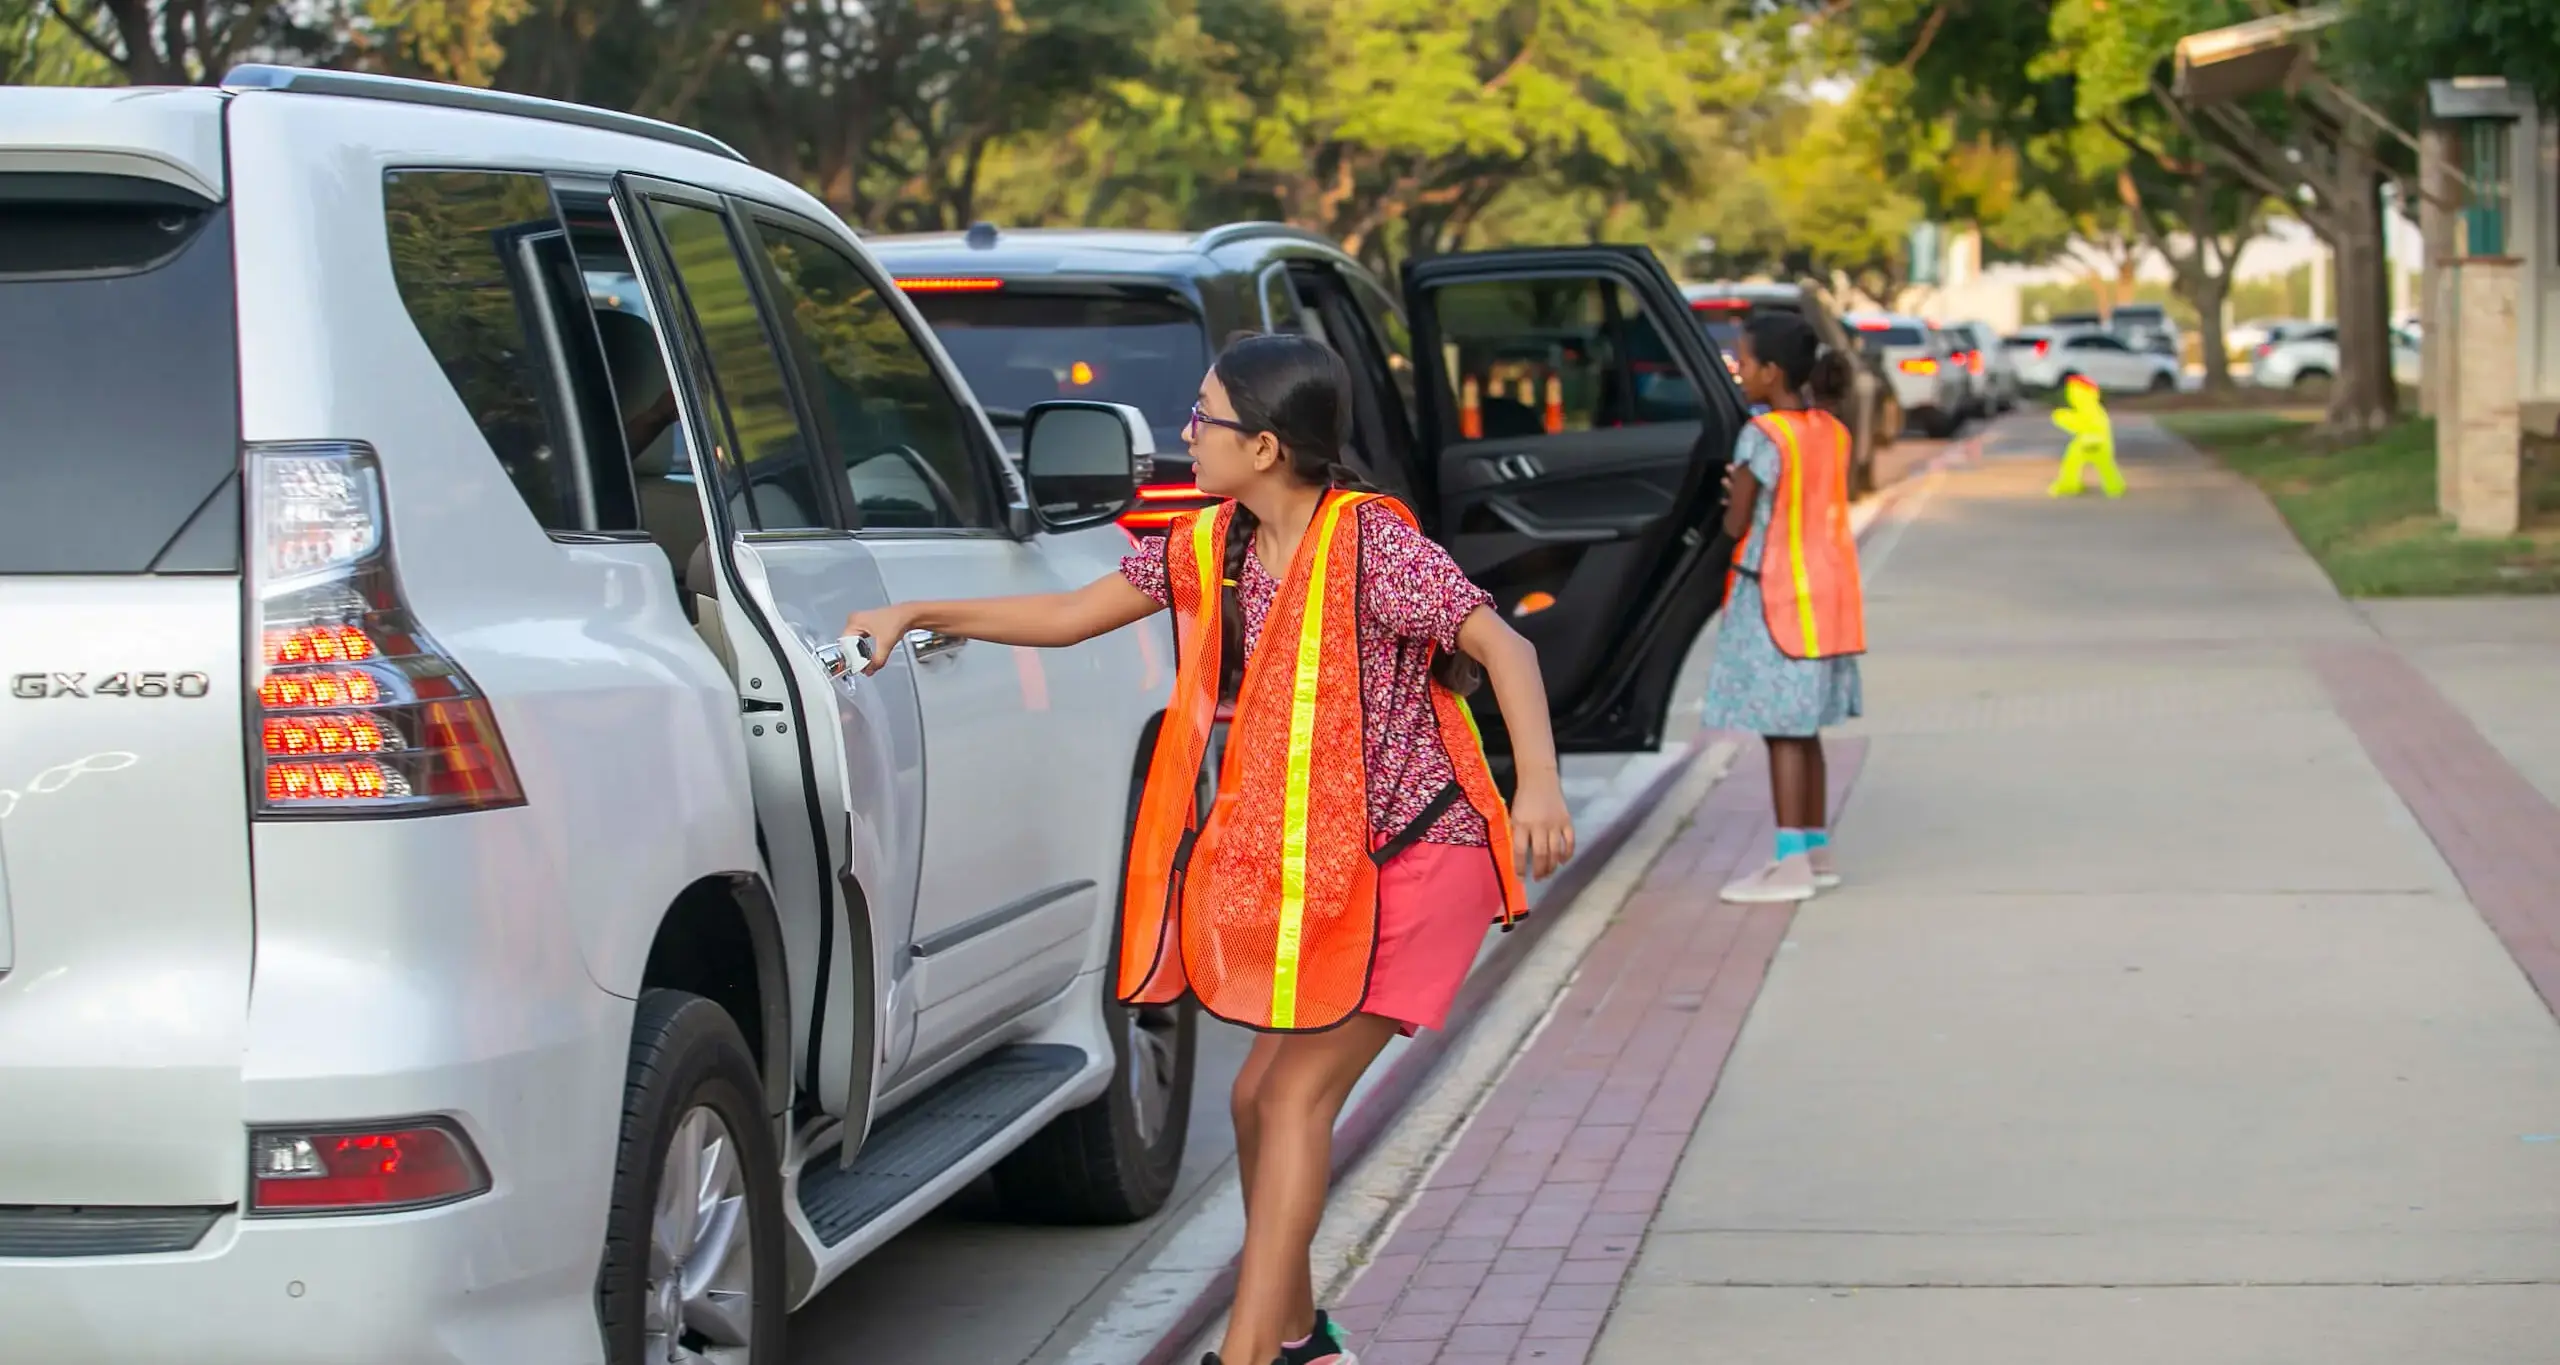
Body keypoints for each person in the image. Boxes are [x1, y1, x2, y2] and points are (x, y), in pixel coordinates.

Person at [839, 333, 1576, 1365]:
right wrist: (917, 610)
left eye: (1203, 417)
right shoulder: (1217, 543)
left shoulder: (1373, 545)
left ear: (1266, 446)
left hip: (1420, 856)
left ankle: (1246, 1354)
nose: (1184, 435)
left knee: (1290, 1094)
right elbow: (1067, 614)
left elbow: (1503, 643)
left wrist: (1535, 782)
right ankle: (1299, 1337)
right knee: (1251, 1095)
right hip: (1331, 873)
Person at [1702, 311, 1867, 904]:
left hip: (1776, 595)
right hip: (1828, 596)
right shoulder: (1831, 429)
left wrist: (1731, 491)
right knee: (1806, 729)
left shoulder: (1762, 435)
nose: (1738, 371)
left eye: (1744, 362)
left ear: (1771, 373)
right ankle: (1815, 851)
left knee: (1781, 733)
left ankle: (1789, 861)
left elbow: (1737, 520)